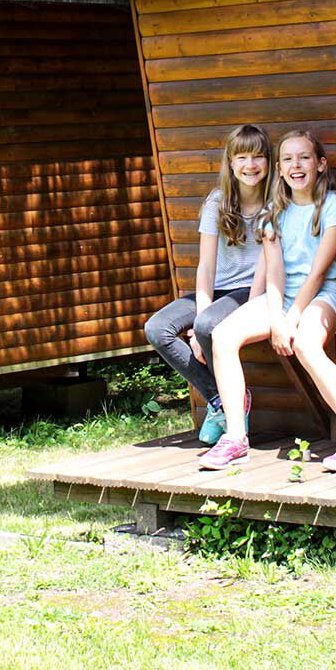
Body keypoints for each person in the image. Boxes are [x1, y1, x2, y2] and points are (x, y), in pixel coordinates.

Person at [199, 128, 336, 473]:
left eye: (304, 157)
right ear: (279, 169)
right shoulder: (273, 212)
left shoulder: (334, 207)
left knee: (307, 343)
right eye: (288, 159)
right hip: (282, 296)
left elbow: (318, 274)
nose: (296, 166)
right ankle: (235, 437)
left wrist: (290, 319)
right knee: (222, 335)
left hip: (324, 295)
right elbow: (275, 273)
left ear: (320, 164)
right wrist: (277, 316)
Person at [143, 124, 273, 445]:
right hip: (217, 291)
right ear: (230, 163)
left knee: (209, 325)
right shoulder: (217, 202)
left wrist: (208, 324)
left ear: (269, 162)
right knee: (156, 328)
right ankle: (222, 400)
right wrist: (201, 314)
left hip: (251, 292)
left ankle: (229, 413)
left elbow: (268, 270)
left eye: (257, 156)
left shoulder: (276, 203)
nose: (249, 165)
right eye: (241, 157)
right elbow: (206, 267)